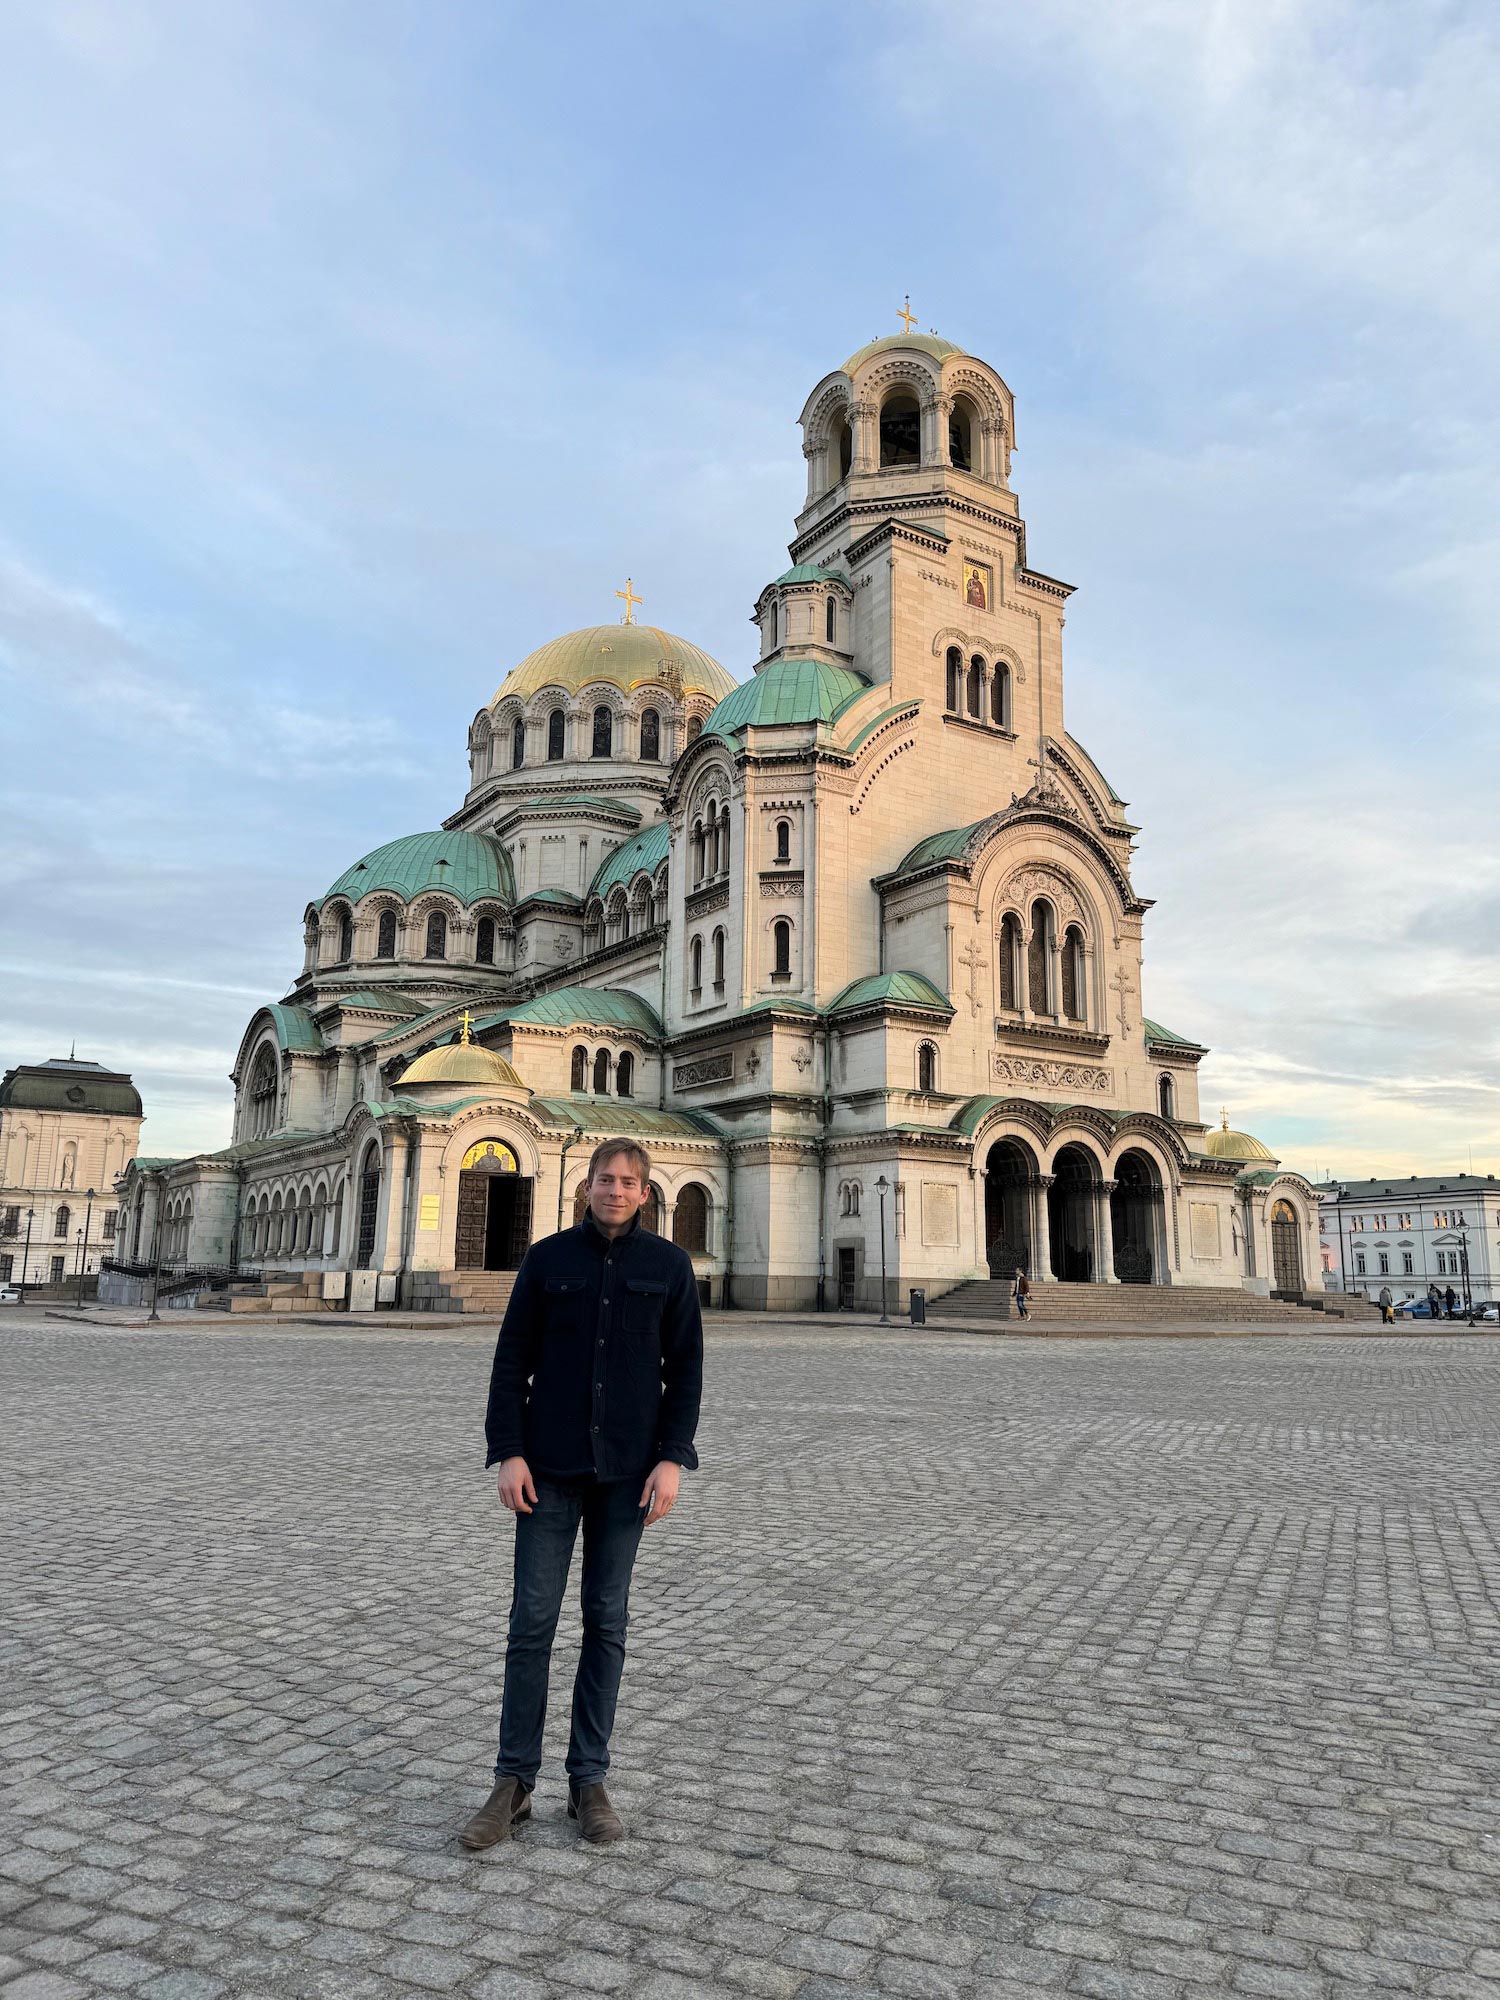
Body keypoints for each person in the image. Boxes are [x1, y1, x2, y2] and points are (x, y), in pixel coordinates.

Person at [459, 1138, 703, 1851]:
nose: (616, 1190)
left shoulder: (669, 1266)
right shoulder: (548, 1259)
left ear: (646, 1192)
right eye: (605, 1179)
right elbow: (511, 1361)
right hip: (550, 1467)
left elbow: (685, 1372)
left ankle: (588, 1780)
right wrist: (507, 1450)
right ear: (586, 1186)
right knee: (531, 1622)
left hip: (629, 1474)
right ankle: (514, 1783)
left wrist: (672, 1461)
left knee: (607, 1621)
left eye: (629, 1181)